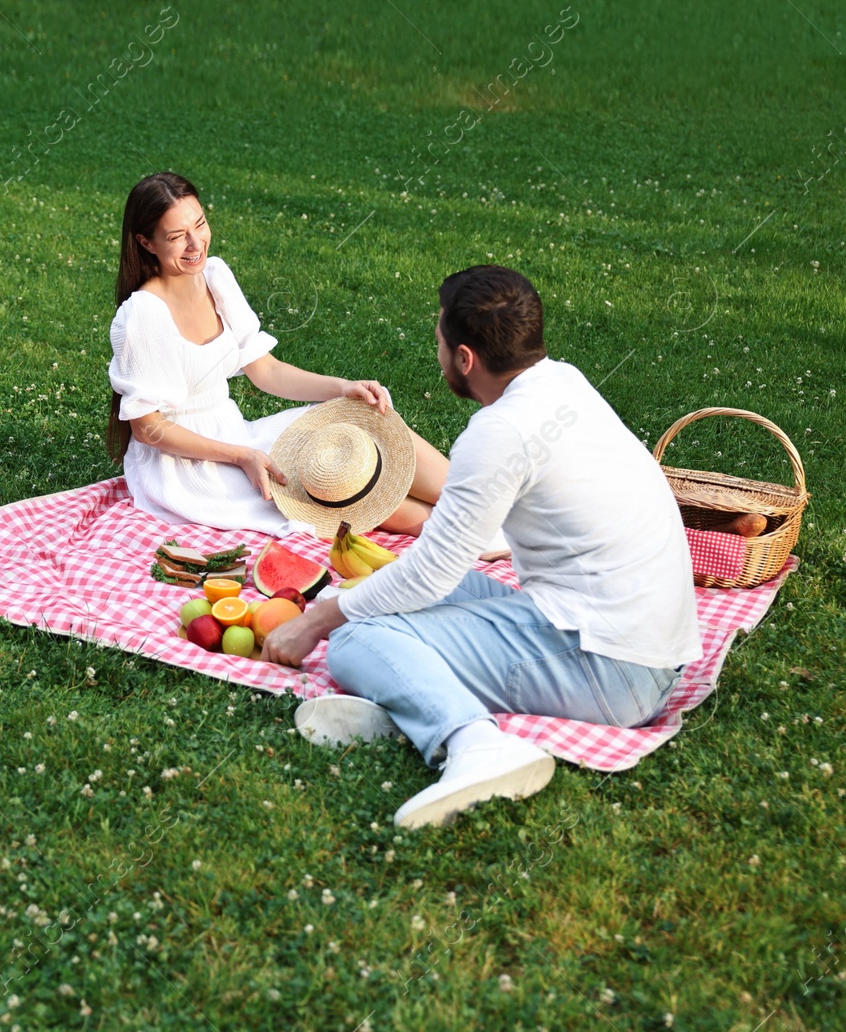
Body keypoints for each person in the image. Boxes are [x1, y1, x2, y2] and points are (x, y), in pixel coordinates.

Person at [261, 265, 702, 829]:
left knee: (353, 638)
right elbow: (434, 567)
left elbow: (430, 579)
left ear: (464, 358)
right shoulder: (564, 381)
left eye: (441, 339)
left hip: (612, 668)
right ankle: (409, 699)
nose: (438, 351)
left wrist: (317, 619)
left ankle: (476, 745)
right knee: (384, 591)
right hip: (640, 639)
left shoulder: (500, 432)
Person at [105, 171, 453, 538]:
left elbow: (266, 371)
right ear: (146, 242)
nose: (196, 244)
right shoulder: (142, 314)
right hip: (185, 466)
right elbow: (147, 429)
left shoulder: (215, 276)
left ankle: (480, 501)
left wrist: (342, 388)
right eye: (177, 237)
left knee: (361, 427)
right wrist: (240, 456)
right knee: (334, 489)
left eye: (200, 224)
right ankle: (471, 535)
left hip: (236, 433)